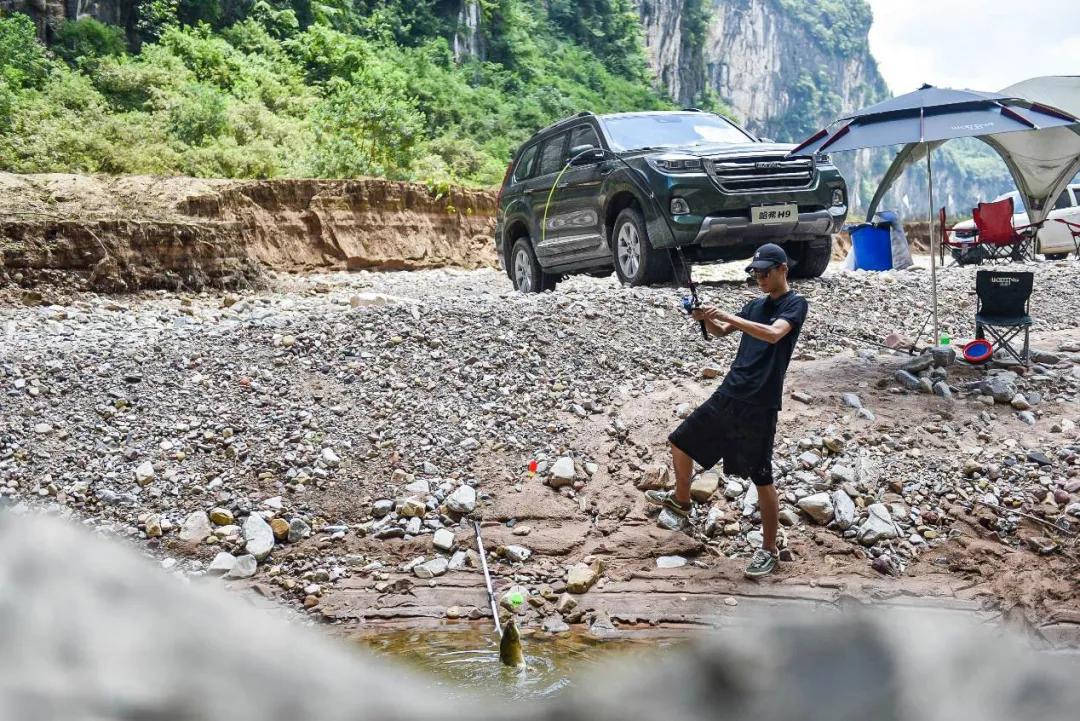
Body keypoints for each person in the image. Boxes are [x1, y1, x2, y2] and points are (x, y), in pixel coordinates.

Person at [645, 243, 808, 579]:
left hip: (761, 403)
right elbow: (719, 332)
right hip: (729, 392)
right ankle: (682, 499)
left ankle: (769, 549)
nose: (760, 278)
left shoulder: (794, 304)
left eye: (766, 272)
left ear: (783, 270)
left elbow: (775, 334)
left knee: (762, 477)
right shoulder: (753, 305)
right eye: (756, 273)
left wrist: (729, 316)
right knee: (680, 440)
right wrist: (703, 319)